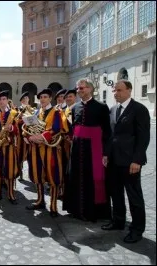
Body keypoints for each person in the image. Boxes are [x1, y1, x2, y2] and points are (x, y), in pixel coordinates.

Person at [102, 80, 150, 244]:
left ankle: (137, 230)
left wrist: (137, 160)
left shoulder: (139, 109)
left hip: (130, 162)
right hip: (114, 161)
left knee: (134, 196)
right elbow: (110, 135)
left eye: (120, 90)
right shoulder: (113, 109)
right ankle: (118, 221)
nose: (116, 93)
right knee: (116, 193)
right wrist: (106, 154)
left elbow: (143, 138)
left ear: (129, 90)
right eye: (115, 91)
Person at [63, 78, 112, 222]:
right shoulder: (74, 107)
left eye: (82, 88)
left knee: (93, 179)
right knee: (76, 177)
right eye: (78, 88)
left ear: (90, 89)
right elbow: (73, 128)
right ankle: (76, 209)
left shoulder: (101, 107)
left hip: (94, 149)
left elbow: (107, 132)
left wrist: (106, 153)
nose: (79, 91)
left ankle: (94, 212)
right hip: (77, 149)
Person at [23, 88, 66, 216]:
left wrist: (42, 137)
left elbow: (58, 128)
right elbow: (28, 127)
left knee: (52, 177)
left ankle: (53, 206)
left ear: (50, 98)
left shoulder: (57, 112)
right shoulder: (36, 112)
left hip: (50, 149)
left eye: (45, 97)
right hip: (36, 149)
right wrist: (28, 136)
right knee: (38, 175)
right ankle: (40, 200)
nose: (42, 99)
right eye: (41, 97)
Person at [59, 88, 77, 199]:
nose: (68, 99)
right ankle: (63, 190)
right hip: (63, 144)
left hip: (75, 143)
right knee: (63, 167)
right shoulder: (62, 110)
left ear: (75, 97)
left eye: (70, 96)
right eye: (66, 97)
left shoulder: (79, 108)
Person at [16, 91, 31, 181]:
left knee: (30, 154)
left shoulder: (32, 109)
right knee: (20, 154)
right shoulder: (18, 109)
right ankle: (20, 172)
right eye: (24, 99)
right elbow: (16, 121)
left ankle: (31, 172)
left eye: (27, 99)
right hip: (21, 136)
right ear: (21, 101)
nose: (26, 100)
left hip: (31, 135)